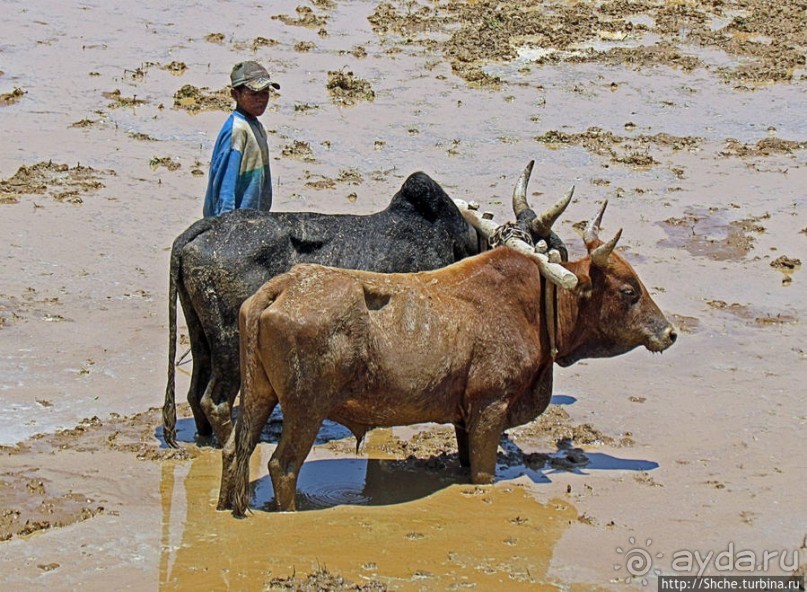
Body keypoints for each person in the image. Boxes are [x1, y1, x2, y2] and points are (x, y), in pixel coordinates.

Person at [202, 61, 280, 218]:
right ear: (235, 95)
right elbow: (226, 185)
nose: (261, 99)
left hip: (251, 218)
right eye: (253, 94)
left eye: (265, 93)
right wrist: (226, 224)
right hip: (233, 221)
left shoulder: (257, 127)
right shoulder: (237, 131)